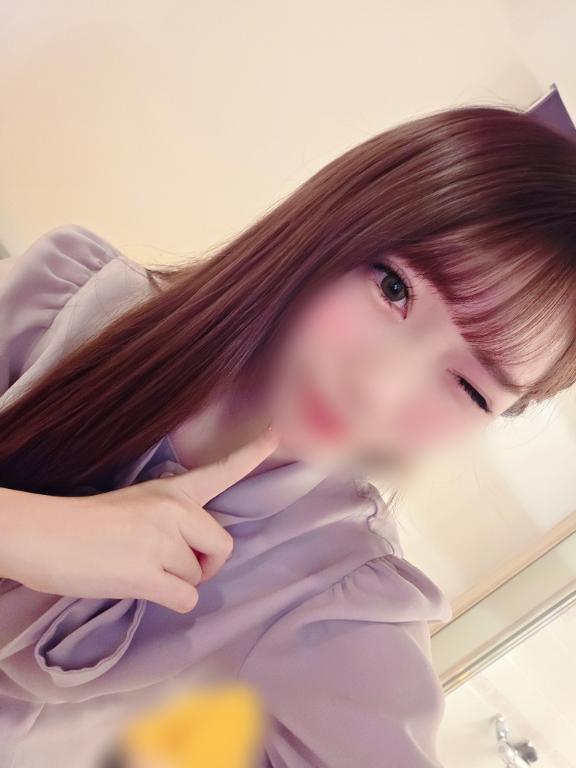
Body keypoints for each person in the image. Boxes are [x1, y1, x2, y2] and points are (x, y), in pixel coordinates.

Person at [0, 104, 575, 768]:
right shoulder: (67, 300)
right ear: (338, 221)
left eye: (470, 389)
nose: (380, 389)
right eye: (394, 288)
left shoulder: (337, 601)